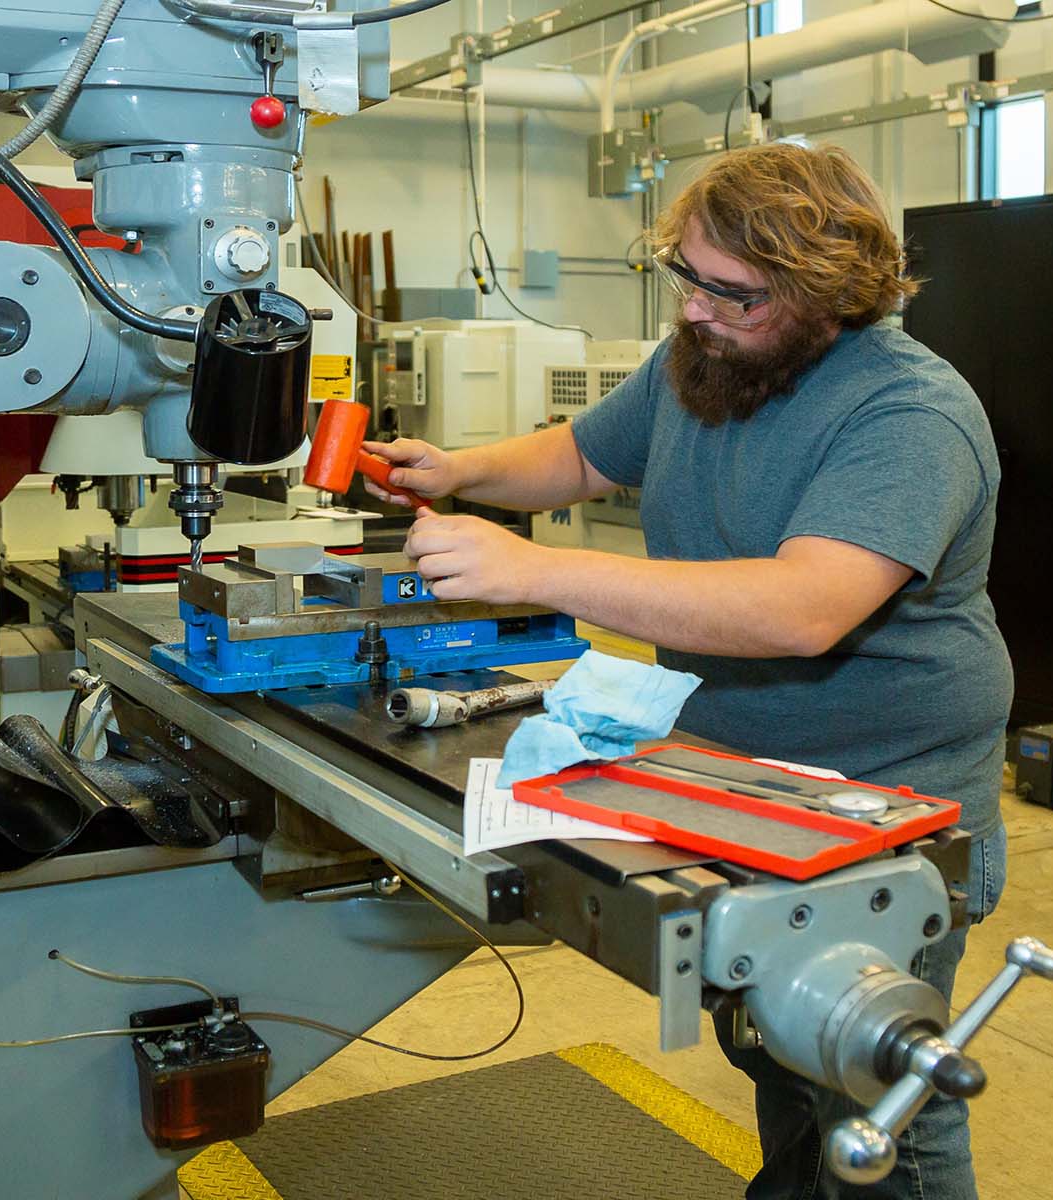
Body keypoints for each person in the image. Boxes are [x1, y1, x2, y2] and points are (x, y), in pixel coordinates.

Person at [365, 142, 1011, 1199]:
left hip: (887, 807)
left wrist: (537, 569)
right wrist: (463, 468)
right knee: (777, 1057)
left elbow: (805, 609)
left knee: (882, 1108)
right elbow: (582, 455)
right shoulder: (702, 359)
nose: (699, 308)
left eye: (733, 292)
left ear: (827, 294)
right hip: (739, 781)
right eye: (687, 275)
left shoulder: (908, 414)